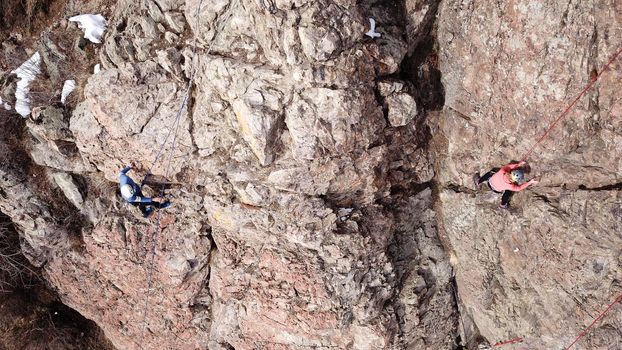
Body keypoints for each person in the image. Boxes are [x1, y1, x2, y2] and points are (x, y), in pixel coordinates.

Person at [473, 161, 538, 209]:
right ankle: (503, 204)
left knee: (491, 172)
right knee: (508, 192)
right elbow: (519, 188)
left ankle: (479, 181)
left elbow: (509, 166)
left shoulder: (502, 171)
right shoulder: (510, 186)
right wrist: (530, 182)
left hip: (489, 182)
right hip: (496, 190)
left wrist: (518, 164)